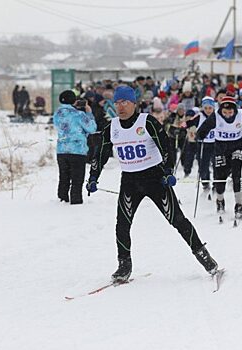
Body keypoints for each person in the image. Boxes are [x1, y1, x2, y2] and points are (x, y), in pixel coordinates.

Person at [86, 86, 220, 282]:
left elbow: (166, 147)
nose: (121, 107)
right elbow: (100, 153)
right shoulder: (112, 127)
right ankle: (124, 265)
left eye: (125, 102)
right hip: (130, 180)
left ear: (134, 103)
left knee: (177, 220)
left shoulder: (146, 122)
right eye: (117, 103)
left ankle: (204, 256)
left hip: (155, 178)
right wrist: (93, 177)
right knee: (122, 224)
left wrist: (167, 171)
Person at [197, 96, 242, 219]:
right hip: (220, 149)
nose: (227, 115)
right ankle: (220, 201)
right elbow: (203, 129)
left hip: (237, 147)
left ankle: (239, 205)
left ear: (234, 110)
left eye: (230, 112)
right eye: (225, 112)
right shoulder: (216, 116)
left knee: (237, 175)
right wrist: (201, 135)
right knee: (220, 177)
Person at [54, 90, 97, 204]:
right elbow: (92, 128)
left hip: (62, 150)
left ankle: (62, 199)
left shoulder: (57, 114)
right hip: (77, 150)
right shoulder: (79, 115)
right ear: (74, 100)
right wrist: (89, 113)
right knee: (77, 179)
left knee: (64, 177)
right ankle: (76, 201)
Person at [185, 96, 216, 190]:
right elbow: (187, 123)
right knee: (203, 165)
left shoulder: (217, 116)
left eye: (210, 108)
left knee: (217, 164)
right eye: (205, 108)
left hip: (215, 143)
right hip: (203, 144)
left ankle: (217, 183)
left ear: (213, 107)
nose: (208, 110)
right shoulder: (199, 116)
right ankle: (205, 183)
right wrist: (186, 125)